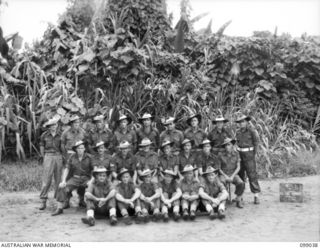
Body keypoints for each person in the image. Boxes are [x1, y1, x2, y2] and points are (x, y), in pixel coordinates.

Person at [52, 140, 93, 216]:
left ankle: (90, 208)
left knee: (91, 187)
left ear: (84, 149)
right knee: (62, 187)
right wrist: (63, 180)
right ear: (76, 149)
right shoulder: (72, 157)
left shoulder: (89, 157)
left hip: (85, 179)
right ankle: (59, 208)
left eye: (82, 148)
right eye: (78, 148)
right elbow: (67, 168)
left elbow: (94, 170)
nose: (80, 150)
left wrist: (91, 181)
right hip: (75, 178)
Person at [235, 114, 261, 204]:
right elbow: (236, 144)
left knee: (252, 174)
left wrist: (254, 154)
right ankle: (240, 195)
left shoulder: (252, 131)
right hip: (240, 154)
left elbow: (256, 143)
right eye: (240, 122)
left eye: (243, 121)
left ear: (246, 122)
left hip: (249, 155)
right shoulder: (237, 132)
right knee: (240, 175)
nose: (241, 123)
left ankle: (256, 195)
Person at [38, 116, 63, 210]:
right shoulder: (44, 135)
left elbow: (62, 147)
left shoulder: (60, 135)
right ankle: (43, 200)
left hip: (58, 156)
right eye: (51, 125)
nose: (53, 126)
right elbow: (41, 146)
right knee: (46, 179)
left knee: (58, 179)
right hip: (48, 156)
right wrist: (43, 156)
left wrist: (63, 157)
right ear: (49, 126)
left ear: (57, 125)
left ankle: (58, 201)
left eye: (55, 124)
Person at [218, 138, 245, 208]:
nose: (227, 146)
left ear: (232, 145)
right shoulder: (220, 155)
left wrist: (232, 176)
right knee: (221, 183)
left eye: (229, 145)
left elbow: (238, 167)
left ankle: (238, 200)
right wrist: (225, 176)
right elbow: (219, 168)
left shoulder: (236, 154)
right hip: (224, 174)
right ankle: (223, 200)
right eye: (225, 145)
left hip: (233, 174)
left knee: (241, 183)